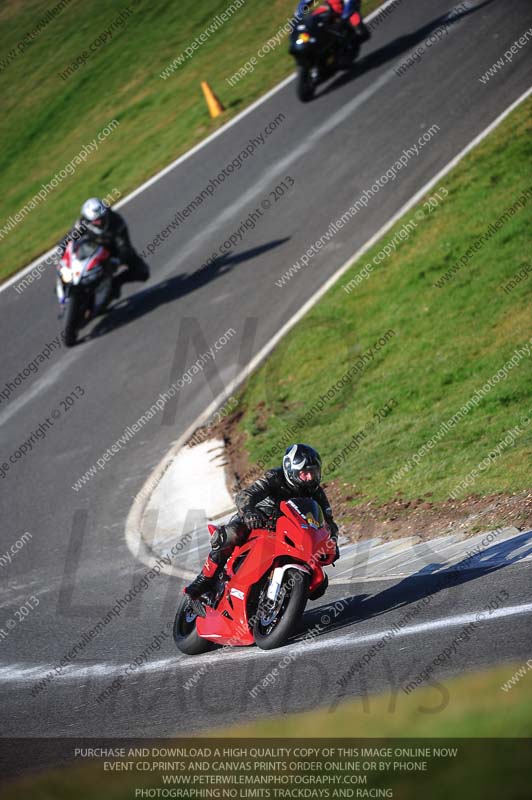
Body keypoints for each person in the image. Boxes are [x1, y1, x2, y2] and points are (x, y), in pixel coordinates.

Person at [184, 444, 340, 600]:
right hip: (259, 521)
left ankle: (283, 601)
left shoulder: (317, 493)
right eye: (304, 473)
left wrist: (331, 542)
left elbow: (328, 523)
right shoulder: (274, 477)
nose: (310, 478)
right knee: (231, 535)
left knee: (319, 585)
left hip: (291, 532)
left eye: (313, 473)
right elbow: (245, 495)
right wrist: (249, 513)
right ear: (291, 471)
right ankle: (205, 579)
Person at [58, 198, 149, 298]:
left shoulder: (117, 223)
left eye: (101, 219)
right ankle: (64, 287)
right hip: (89, 248)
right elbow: (68, 239)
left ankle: (116, 283)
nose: (99, 222)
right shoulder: (82, 223)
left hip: (112, 251)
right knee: (63, 267)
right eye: (96, 221)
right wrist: (61, 254)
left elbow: (124, 247)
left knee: (142, 271)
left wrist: (118, 260)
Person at [295, 0, 371, 42]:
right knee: (311, 20)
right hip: (329, 9)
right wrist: (299, 15)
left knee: (361, 32)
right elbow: (305, 2)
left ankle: (349, 43)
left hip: (345, 10)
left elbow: (350, 3)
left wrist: (344, 17)